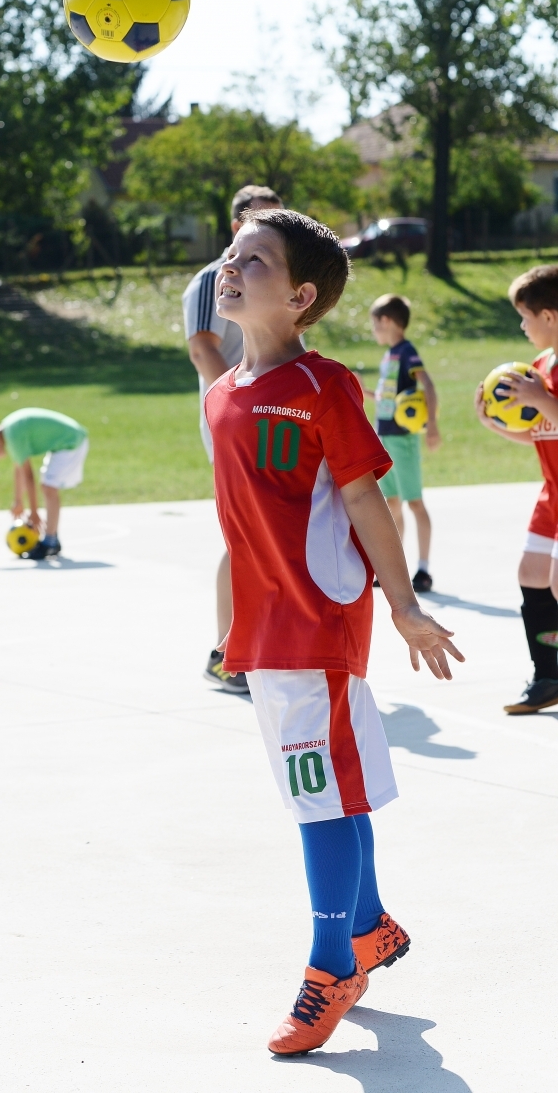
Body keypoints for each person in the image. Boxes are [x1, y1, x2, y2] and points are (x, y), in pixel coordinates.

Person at [205, 208, 463, 1055]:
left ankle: (329, 968)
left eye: (257, 260)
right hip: (266, 632)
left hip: (318, 624)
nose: (233, 266)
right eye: (231, 253)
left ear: (302, 295)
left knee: (318, 802)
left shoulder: (323, 388)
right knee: (320, 793)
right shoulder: (221, 396)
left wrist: (404, 605)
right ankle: (369, 926)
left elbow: (364, 497)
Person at [182, 184, 283, 693]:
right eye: (257, 220)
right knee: (242, 529)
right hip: (232, 415)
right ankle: (226, 652)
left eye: (277, 219)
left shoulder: (282, 274)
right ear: (235, 226)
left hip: (269, 413)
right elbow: (203, 348)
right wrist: (239, 401)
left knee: (269, 522)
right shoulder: (212, 279)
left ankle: (258, 642)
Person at [474, 264, 558, 714]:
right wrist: (495, 422)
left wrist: (540, 399)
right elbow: (541, 432)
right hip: (552, 492)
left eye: (525, 316)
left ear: (550, 316)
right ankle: (548, 675)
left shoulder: (543, 381)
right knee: (531, 574)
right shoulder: (540, 368)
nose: (522, 326)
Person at [368, 294, 441, 592]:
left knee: (414, 502)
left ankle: (423, 569)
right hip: (384, 438)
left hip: (403, 440)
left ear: (387, 321)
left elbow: (428, 385)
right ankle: (392, 568)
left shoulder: (407, 351)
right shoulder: (389, 356)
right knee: (392, 503)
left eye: (375, 325)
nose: (374, 331)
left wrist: (433, 424)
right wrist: (366, 393)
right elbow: (391, 400)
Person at [0, 407, 88, 559]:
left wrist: (34, 513)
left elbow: (29, 477)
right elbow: (19, 469)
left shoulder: (14, 436)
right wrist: (18, 501)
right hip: (67, 439)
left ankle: (50, 542)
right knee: (48, 485)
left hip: (70, 441)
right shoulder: (10, 431)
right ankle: (52, 538)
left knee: (49, 487)